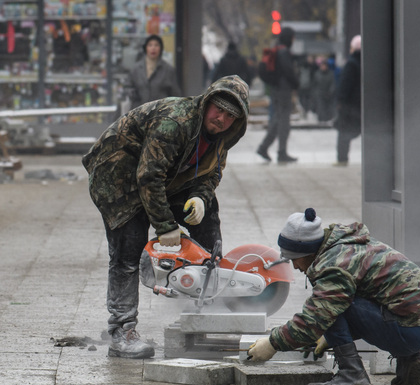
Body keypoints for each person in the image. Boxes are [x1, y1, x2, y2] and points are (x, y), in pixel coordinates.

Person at [83, 75, 249, 359]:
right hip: (118, 176)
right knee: (128, 249)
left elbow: (211, 174)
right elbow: (148, 176)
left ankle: (206, 308)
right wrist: (165, 226)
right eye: (218, 109)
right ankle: (121, 332)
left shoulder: (222, 138)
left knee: (207, 219)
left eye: (230, 115)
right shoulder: (176, 122)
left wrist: (199, 198)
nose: (221, 118)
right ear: (207, 102)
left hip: (163, 177)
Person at [247, 208, 420, 385]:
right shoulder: (346, 244)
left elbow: (315, 319)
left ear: (308, 252)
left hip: (409, 331)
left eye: (294, 259)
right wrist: (329, 338)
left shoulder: (335, 265)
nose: (295, 266)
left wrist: (273, 343)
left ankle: (352, 376)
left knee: (330, 309)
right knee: (354, 298)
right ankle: (410, 362)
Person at [256, 27, 299, 164]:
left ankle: (264, 147)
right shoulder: (284, 52)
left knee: (278, 119)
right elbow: (288, 71)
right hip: (283, 90)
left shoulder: (276, 49)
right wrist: (296, 83)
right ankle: (281, 152)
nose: (293, 40)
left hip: (276, 89)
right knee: (283, 121)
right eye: (292, 37)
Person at [127, 34, 182, 108]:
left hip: (160, 113)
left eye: (156, 45)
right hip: (139, 113)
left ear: (161, 48)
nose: (153, 48)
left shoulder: (168, 69)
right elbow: (128, 87)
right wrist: (132, 94)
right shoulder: (136, 69)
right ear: (145, 48)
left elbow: (176, 94)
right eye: (150, 45)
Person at [334, 35, 362, 165]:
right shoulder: (366, 62)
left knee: (344, 132)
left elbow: (345, 84)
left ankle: (342, 159)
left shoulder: (351, 63)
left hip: (349, 104)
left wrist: (340, 100)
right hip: (361, 103)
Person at [311, 56, 335, 123]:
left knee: (327, 107)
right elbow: (314, 85)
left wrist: (330, 92)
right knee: (320, 107)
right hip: (319, 93)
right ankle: (321, 119)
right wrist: (315, 93)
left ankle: (327, 119)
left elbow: (332, 84)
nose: (323, 67)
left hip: (328, 93)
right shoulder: (317, 74)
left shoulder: (330, 74)